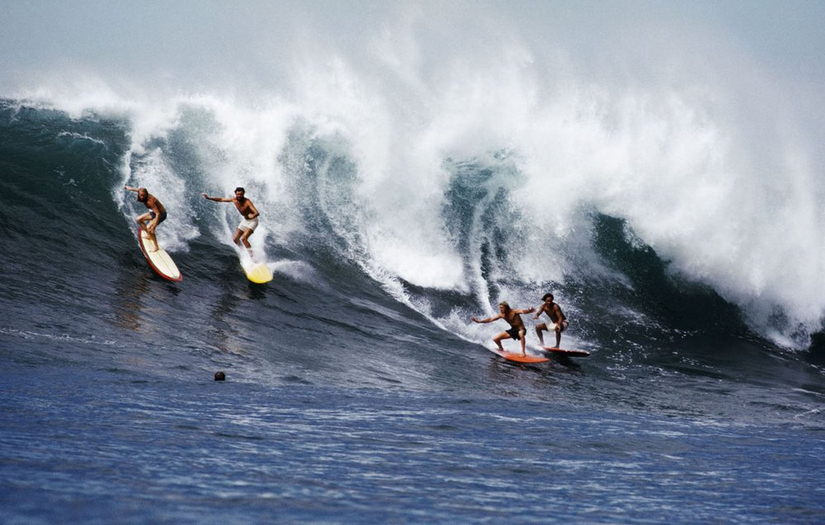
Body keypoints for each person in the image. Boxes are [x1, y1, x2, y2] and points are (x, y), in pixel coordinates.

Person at [201, 187, 261, 256]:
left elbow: (257, 213)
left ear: (243, 194)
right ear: (235, 194)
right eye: (238, 194)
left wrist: (252, 215)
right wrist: (209, 198)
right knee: (235, 239)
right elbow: (221, 199)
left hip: (253, 221)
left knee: (244, 238)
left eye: (241, 194)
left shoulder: (247, 201)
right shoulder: (234, 200)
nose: (239, 196)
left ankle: (252, 257)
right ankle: (244, 252)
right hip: (245, 221)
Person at [471, 302, 536, 356]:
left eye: (502, 308)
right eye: (500, 308)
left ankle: (523, 352)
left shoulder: (514, 311)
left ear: (506, 307)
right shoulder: (502, 315)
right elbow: (491, 319)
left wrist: (529, 310)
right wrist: (479, 321)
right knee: (495, 339)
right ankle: (501, 349)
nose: (500, 309)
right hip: (513, 330)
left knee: (520, 333)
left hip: (521, 329)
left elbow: (523, 311)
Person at [125, 185, 166, 252]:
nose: (142, 197)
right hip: (155, 213)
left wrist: (154, 226)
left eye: (143, 195)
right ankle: (149, 235)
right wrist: (130, 188)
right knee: (138, 220)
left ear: (146, 194)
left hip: (161, 214)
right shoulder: (141, 192)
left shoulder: (150, 202)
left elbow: (158, 214)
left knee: (151, 229)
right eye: (141, 195)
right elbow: (137, 189)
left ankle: (156, 247)